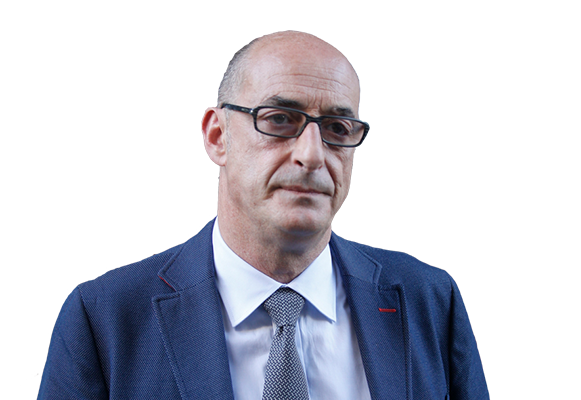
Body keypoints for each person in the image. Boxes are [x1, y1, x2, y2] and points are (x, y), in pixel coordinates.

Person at [38, 31, 489, 400]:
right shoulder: (105, 319)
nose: (313, 155)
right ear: (217, 136)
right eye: (279, 119)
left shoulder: (429, 301)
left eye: (337, 128)